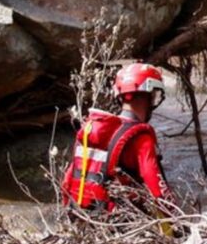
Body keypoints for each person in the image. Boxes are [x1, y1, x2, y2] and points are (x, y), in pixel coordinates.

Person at [62, 63, 174, 214]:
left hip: (77, 215)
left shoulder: (91, 129)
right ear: (150, 95)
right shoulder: (141, 139)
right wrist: (179, 223)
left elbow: (67, 181)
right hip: (117, 222)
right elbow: (159, 193)